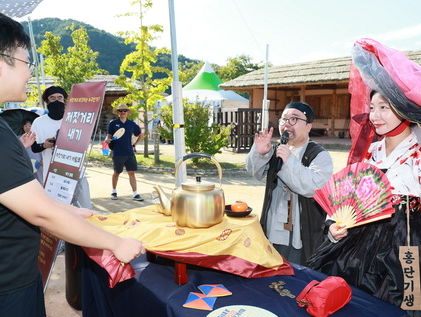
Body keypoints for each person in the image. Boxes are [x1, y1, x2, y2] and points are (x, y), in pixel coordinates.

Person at [0, 13, 144, 317]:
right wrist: (116, 243)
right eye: (28, 61)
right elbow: (40, 212)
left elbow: (22, 198)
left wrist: (72, 210)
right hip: (8, 286)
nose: (30, 73)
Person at [308, 39, 421, 315]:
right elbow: (348, 198)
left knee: (402, 306)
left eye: (384, 107)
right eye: (372, 108)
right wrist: (334, 227)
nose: (375, 116)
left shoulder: (418, 154)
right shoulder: (371, 152)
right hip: (357, 247)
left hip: (407, 250)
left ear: (404, 107)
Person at [246, 102, 333, 265]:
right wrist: (261, 153)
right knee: (272, 272)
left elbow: (312, 187)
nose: (287, 123)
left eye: (294, 119)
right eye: (284, 119)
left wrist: (289, 160)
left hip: (302, 231)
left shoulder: (319, 156)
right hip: (273, 225)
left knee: (298, 277)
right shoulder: (277, 150)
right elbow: (256, 173)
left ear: (308, 126)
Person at [31, 85, 91, 208]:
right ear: (47, 101)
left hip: (76, 171)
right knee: (58, 209)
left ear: (65, 100)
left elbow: (84, 142)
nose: (57, 100)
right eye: (52, 98)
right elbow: (34, 147)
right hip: (53, 175)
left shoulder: (75, 119)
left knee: (84, 206)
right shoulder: (39, 122)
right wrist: (45, 145)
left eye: (60, 97)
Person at [104, 104, 144, 201]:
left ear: (127, 112)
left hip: (129, 152)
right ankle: (114, 191)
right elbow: (109, 136)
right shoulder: (113, 123)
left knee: (132, 173)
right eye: (121, 111)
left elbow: (141, 135)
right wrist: (107, 139)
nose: (123, 112)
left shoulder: (132, 124)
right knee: (117, 173)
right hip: (117, 152)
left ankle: (135, 194)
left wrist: (134, 145)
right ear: (118, 112)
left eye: (124, 110)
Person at [21, 119, 43, 183]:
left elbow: (42, 148)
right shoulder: (20, 138)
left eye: (30, 126)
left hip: (39, 163)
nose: (28, 128)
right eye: (25, 126)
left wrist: (43, 160)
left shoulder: (37, 137)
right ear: (23, 127)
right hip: (27, 163)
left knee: (41, 180)